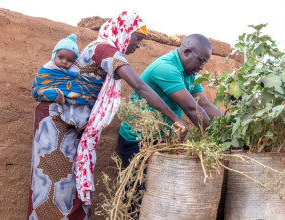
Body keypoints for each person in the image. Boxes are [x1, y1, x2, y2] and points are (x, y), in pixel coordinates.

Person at [27, 11, 186, 220]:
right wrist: (174, 117)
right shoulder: (105, 49)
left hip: (68, 122)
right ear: (124, 31)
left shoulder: (103, 49)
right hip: (58, 121)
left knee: (67, 185)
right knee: (54, 184)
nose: (139, 46)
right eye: (138, 38)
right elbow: (138, 85)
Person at [118, 33, 223, 168]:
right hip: (139, 140)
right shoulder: (166, 68)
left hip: (163, 140)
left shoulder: (191, 74)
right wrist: (220, 138)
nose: (202, 67)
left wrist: (229, 126)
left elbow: (204, 105)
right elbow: (192, 110)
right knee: (141, 187)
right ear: (186, 52)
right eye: (200, 61)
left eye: (205, 62)